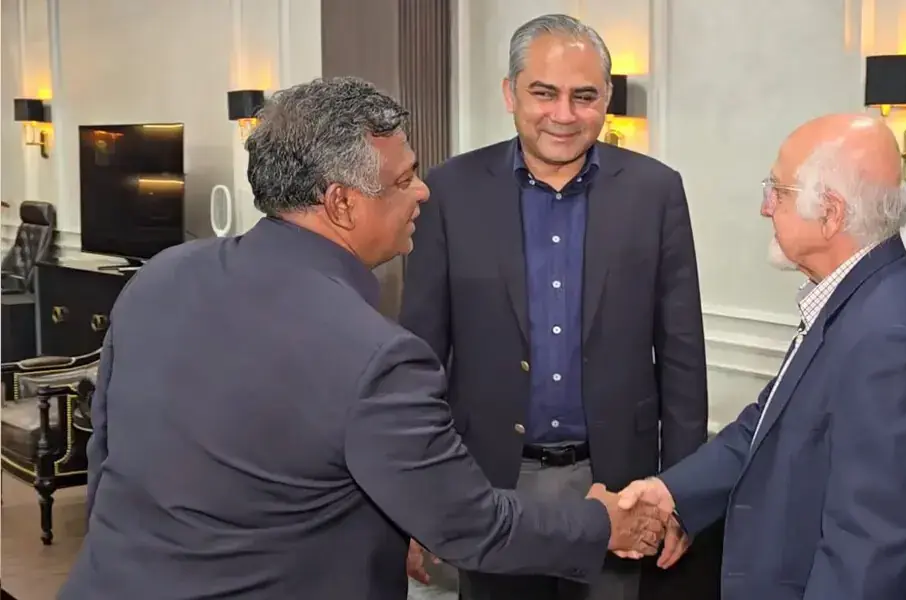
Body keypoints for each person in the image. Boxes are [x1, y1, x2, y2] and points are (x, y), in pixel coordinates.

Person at [57, 77, 669, 600]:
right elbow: (471, 524)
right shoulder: (376, 356)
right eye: (403, 180)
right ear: (342, 204)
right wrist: (600, 523)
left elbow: (106, 458)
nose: (422, 191)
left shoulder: (161, 275)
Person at [399, 13, 708, 600]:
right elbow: (422, 358)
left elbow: (682, 356)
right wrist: (417, 495)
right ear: (510, 93)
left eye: (583, 96)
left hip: (619, 487)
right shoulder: (450, 191)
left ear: (607, 99)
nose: (564, 114)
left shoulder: (656, 190)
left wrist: (683, 494)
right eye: (544, 93)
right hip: (492, 486)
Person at [615, 113, 906, 599]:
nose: (765, 207)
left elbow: (867, 551)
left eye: (777, 191)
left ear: (829, 213)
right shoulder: (858, 296)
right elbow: (768, 424)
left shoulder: (889, 337)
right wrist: (672, 493)